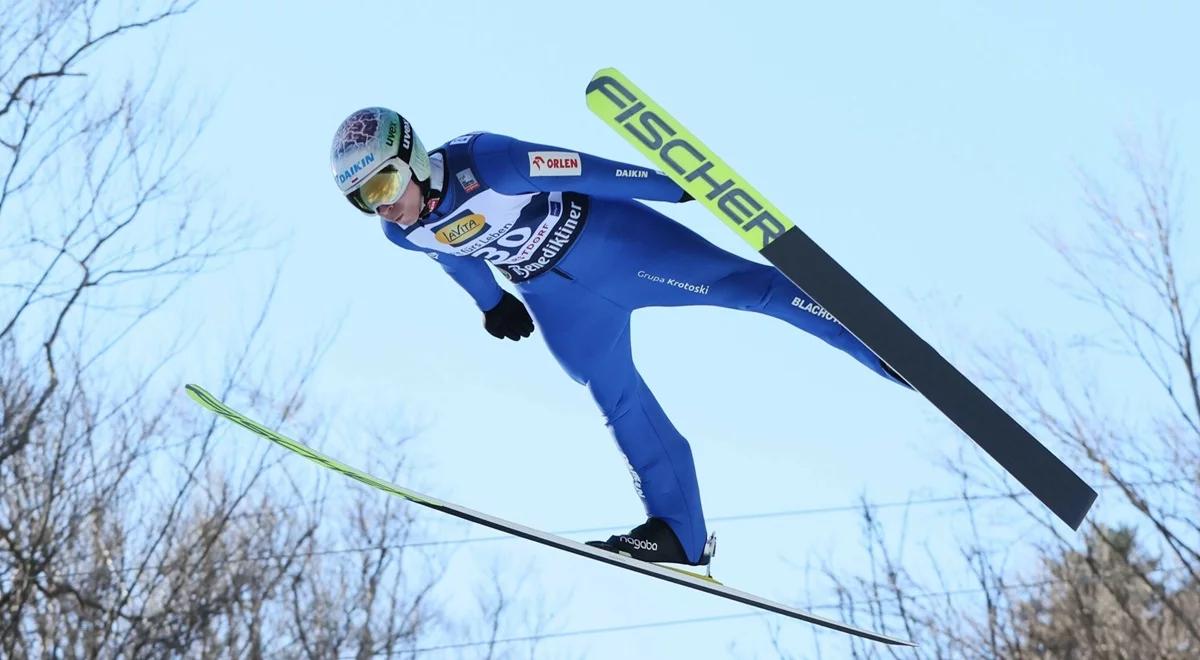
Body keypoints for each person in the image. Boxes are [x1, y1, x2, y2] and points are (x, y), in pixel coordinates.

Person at [329, 107, 909, 568]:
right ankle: (677, 532)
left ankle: (880, 349)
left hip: (615, 245)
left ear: (413, 158)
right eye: (364, 200)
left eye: (383, 185)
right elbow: (453, 257)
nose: (384, 207)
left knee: (747, 289)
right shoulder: (403, 235)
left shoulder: (487, 162)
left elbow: (584, 168)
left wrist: (676, 186)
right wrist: (492, 303)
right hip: (559, 301)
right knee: (616, 397)